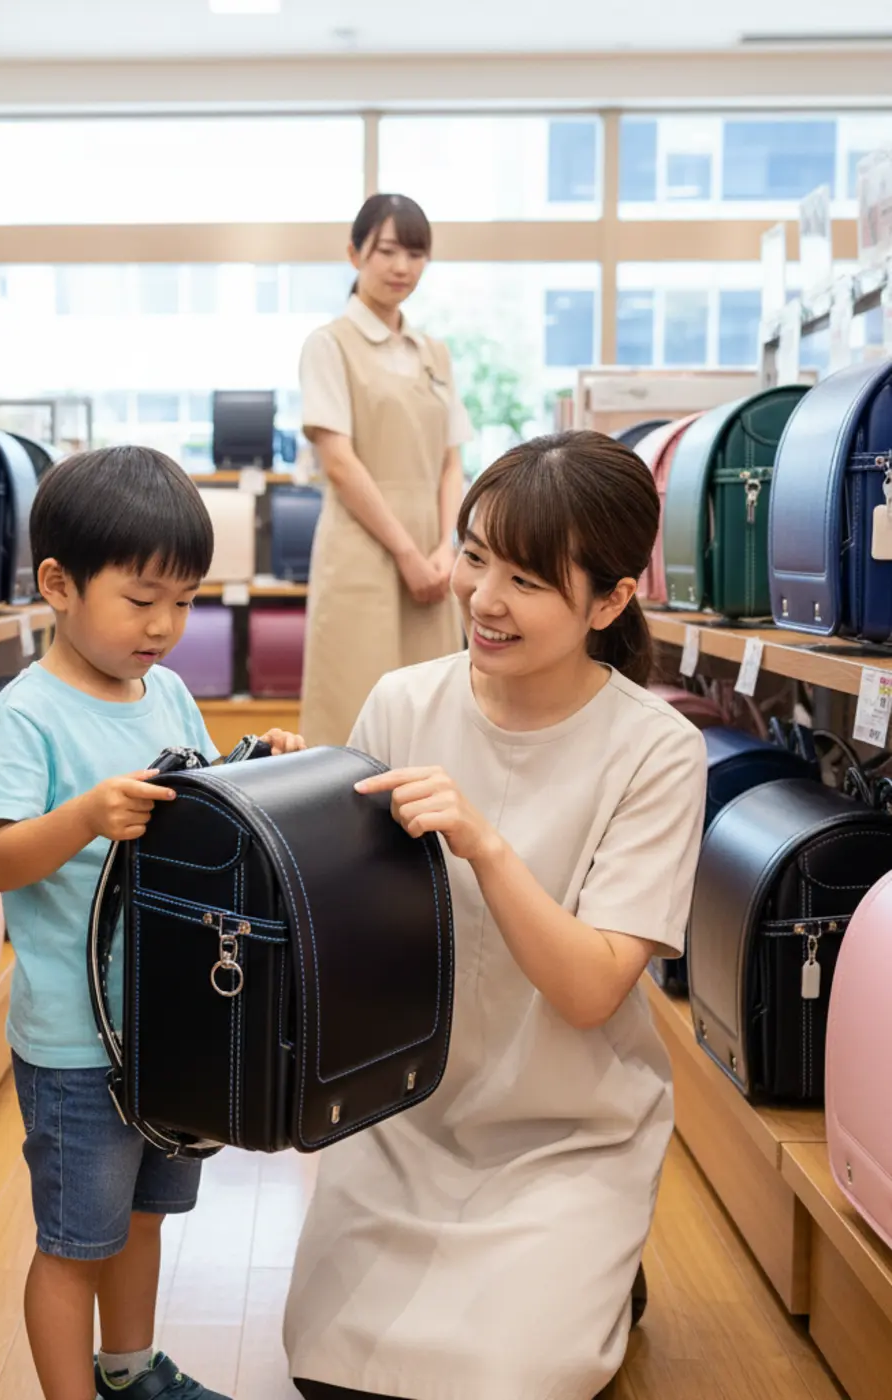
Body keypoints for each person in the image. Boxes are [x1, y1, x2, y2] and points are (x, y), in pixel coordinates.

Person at [282, 432, 708, 1400]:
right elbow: (341, 927)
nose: (481, 597)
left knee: (499, 1381)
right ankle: (577, 1281)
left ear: (607, 599)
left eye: (524, 578)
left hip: (565, 1129)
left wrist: (486, 844)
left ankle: (593, 1259)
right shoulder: (401, 701)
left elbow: (591, 988)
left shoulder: (656, 750)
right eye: (473, 555)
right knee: (329, 1371)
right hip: (403, 1115)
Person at [0, 445, 305, 1400]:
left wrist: (256, 761)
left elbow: (198, 808)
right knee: (77, 1242)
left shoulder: (164, 691)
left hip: (165, 1023)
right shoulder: (26, 717)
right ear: (59, 586)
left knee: (147, 1217)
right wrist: (83, 815)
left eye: (184, 601)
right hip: (78, 1041)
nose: (165, 626)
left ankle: (129, 1372)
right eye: (142, 599)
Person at [297, 192, 473, 748]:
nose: (403, 267)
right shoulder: (329, 345)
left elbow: (452, 461)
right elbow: (339, 463)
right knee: (352, 710)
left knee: (434, 712)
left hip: (433, 554)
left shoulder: (433, 353)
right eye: (388, 251)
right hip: (363, 552)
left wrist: (448, 547)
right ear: (355, 254)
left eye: (416, 254)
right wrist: (405, 554)